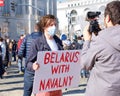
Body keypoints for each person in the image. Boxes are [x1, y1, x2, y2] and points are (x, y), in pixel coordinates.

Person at [81, 1, 120, 96]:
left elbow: (85, 64)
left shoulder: (100, 40)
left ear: (107, 18)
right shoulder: (102, 38)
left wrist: (87, 41)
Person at [26, 14, 63, 96]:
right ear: (44, 27)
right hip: (43, 84)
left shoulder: (58, 41)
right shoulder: (37, 43)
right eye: (51, 25)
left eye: (55, 25)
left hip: (57, 82)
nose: (53, 27)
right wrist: (33, 66)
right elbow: (28, 63)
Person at [18, 23, 42, 96]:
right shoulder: (44, 38)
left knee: (27, 92)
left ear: (34, 29)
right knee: (39, 92)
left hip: (29, 68)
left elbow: (20, 52)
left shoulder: (27, 37)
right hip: (41, 68)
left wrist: (26, 56)